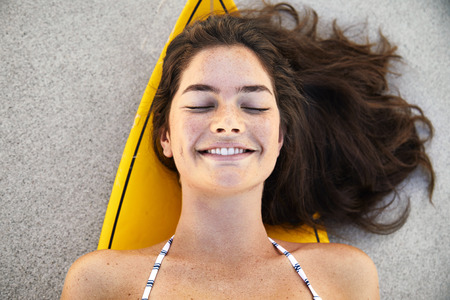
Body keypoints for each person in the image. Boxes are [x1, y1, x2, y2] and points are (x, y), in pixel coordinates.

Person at [61, 2, 434, 299]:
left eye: (254, 106)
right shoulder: (99, 284)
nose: (228, 122)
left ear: (279, 138)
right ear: (166, 138)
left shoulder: (346, 276)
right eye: (201, 104)